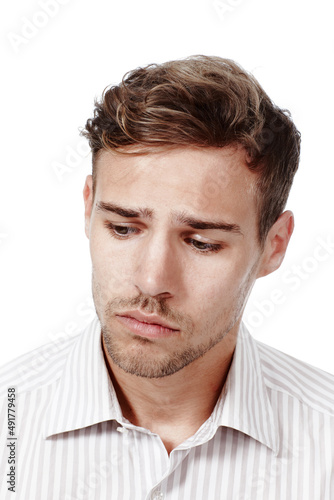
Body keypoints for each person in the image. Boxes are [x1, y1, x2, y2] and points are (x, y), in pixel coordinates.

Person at [1, 55, 333, 500]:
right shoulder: (9, 419)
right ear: (88, 208)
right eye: (123, 228)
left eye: (201, 243)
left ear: (273, 246)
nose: (152, 279)